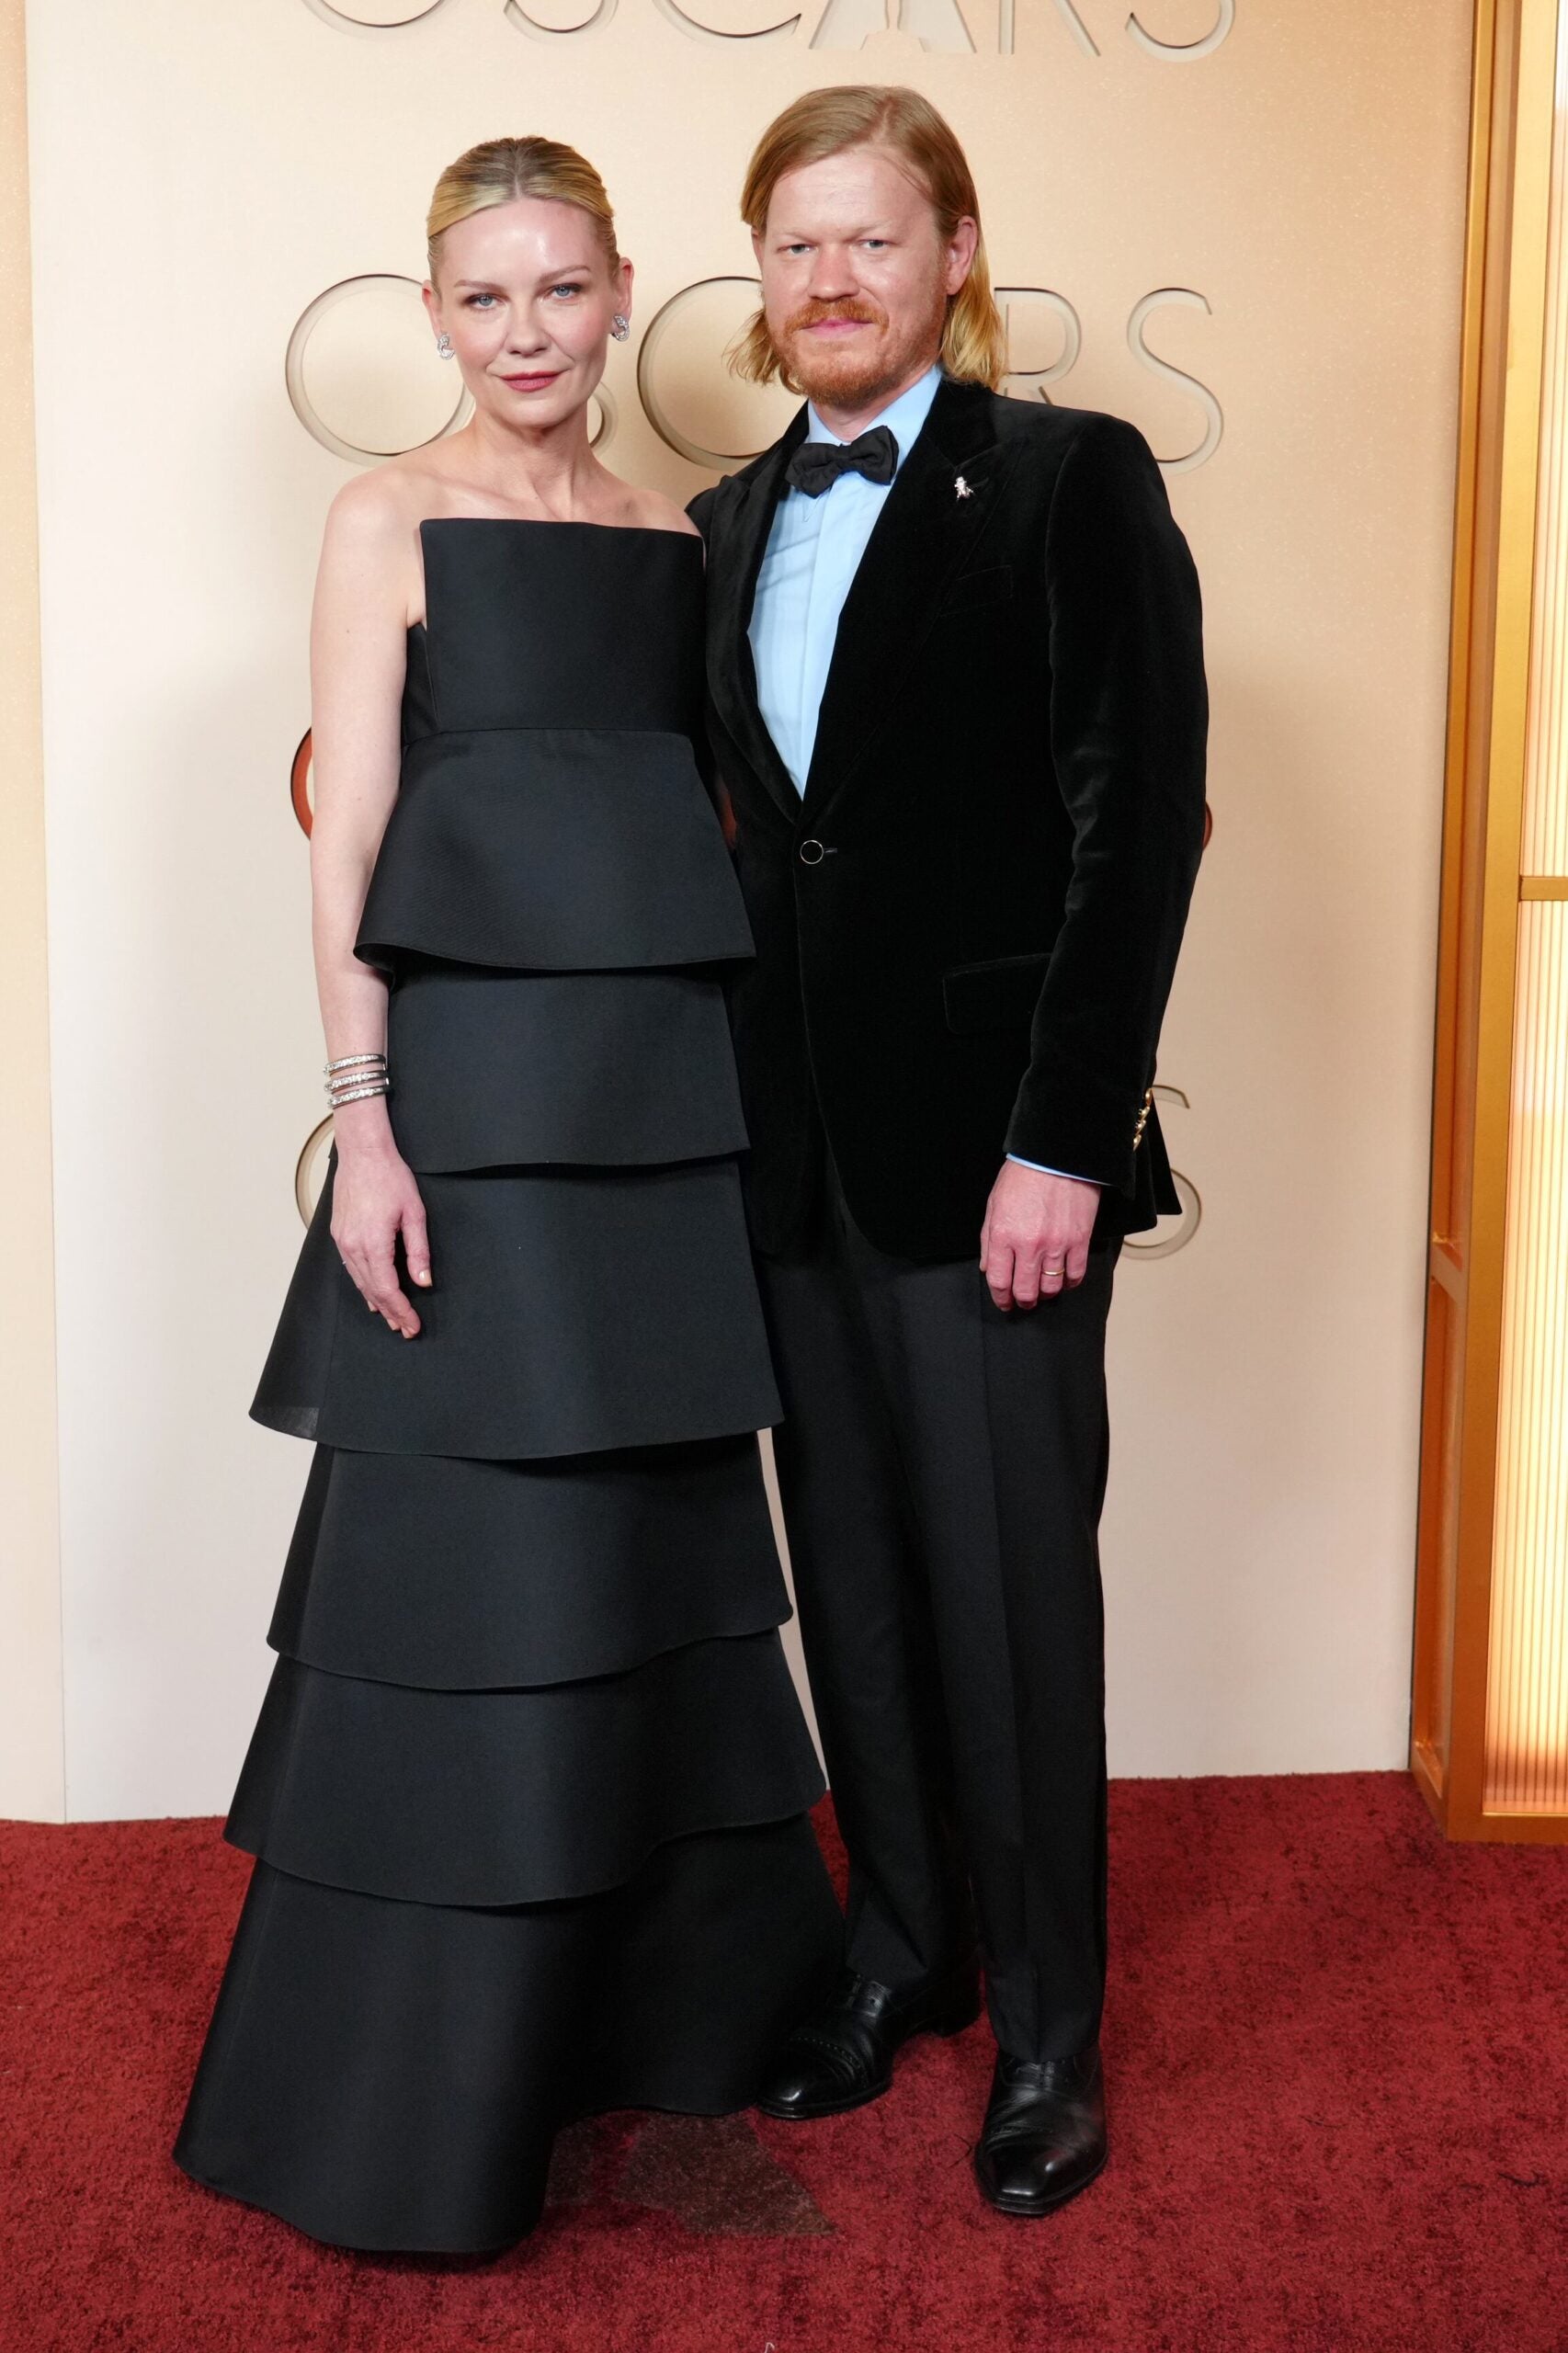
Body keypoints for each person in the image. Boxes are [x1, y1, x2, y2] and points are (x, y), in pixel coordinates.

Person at [174, 134, 840, 2256]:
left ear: (625, 291)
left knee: (650, 1555)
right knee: (474, 1561)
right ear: (435, 308)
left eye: (562, 290)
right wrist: (365, 1122)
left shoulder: (670, 531)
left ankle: (654, 2020)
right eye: (485, 298)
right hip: (472, 1105)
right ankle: (415, 2090)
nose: (528, 332)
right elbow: (345, 834)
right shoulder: (385, 516)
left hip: (661, 1107)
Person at [687, 85, 1208, 2217]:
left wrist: (1062, 1141)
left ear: (954, 255)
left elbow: (1137, 825)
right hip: (792, 1164)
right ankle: (903, 1947)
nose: (829, 279)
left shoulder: (1070, 480)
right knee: (869, 1606)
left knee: (1010, 1611)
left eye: (870, 240)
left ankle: (1055, 2040)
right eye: (794, 244)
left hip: (1001, 1169)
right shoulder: (717, 524)